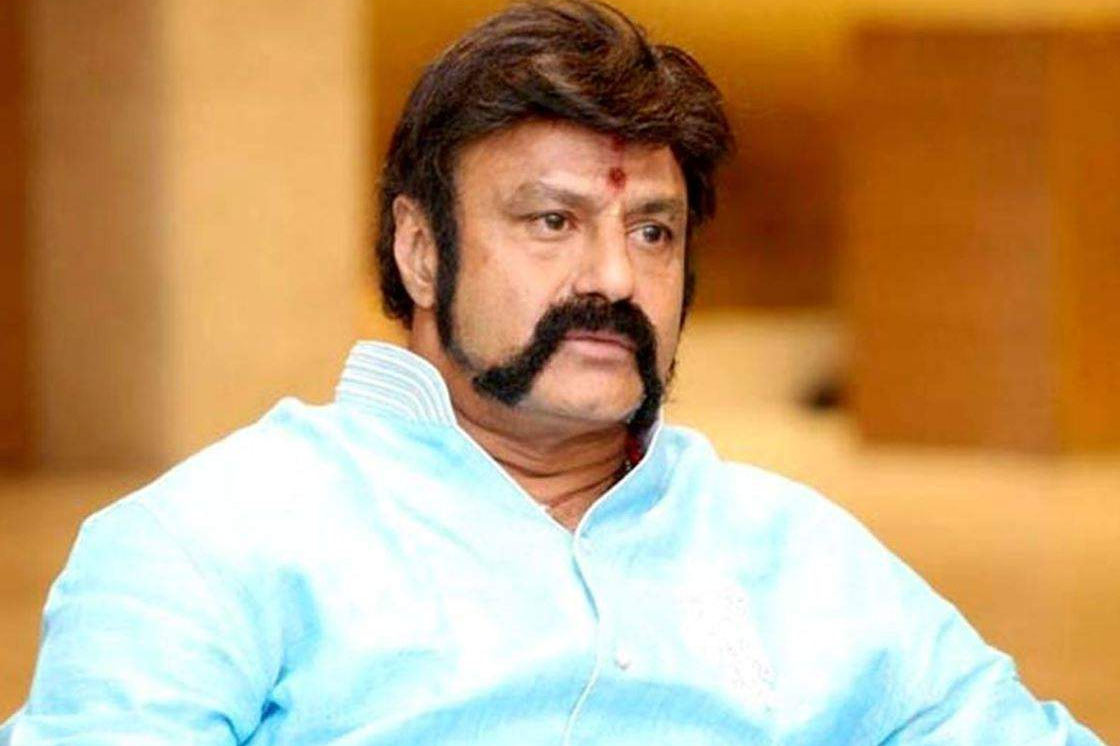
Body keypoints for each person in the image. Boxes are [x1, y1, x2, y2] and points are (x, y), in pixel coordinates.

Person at [1, 1, 1106, 744]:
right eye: (551, 221)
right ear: (419, 250)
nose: (613, 278)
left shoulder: (795, 553)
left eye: (654, 232)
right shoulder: (215, 543)